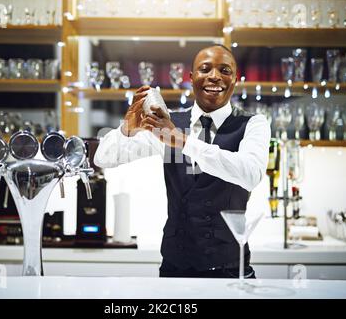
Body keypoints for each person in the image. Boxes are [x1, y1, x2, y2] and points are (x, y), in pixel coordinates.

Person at [94, 45, 271, 278]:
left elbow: (250, 174)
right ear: (191, 78)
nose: (214, 76)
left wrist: (184, 142)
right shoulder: (168, 123)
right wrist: (126, 128)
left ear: (235, 80)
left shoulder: (253, 124)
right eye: (205, 69)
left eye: (225, 70)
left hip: (230, 271)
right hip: (174, 269)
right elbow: (103, 158)